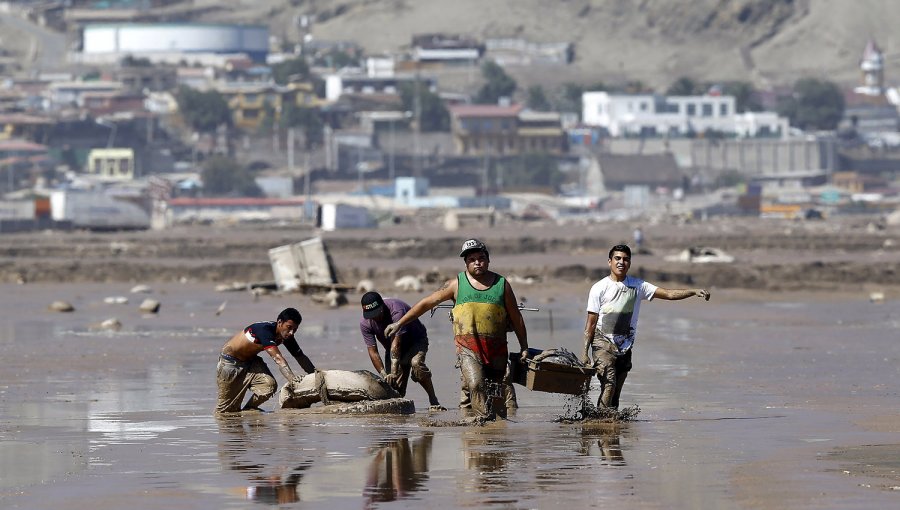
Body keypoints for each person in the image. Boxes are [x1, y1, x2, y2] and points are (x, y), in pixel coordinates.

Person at [386, 238, 528, 421]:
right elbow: (427, 303)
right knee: (476, 384)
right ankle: (482, 429)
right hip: (468, 349)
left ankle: (497, 436)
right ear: (466, 263)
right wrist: (400, 323)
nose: (477, 262)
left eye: (481, 258)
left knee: (496, 393)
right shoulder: (456, 284)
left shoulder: (502, 284)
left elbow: (516, 318)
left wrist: (524, 346)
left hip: (496, 349)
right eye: (472, 259)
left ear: (488, 260)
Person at [582, 244, 710, 410]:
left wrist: (692, 291)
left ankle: (609, 427)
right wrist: (585, 352)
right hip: (602, 343)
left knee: (616, 394)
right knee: (609, 384)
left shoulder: (638, 286)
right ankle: (600, 422)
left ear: (630, 263)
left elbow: (669, 294)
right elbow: (590, 323)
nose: (621, 262)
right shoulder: (599, 288)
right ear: (609, 262)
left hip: (624, 346)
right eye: (617, 258)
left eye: (626, 259)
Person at [215, 307, 317, 413]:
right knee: (225, 410)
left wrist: (316, 375)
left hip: (251, 361)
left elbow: (300, 356)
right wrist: (292, 379)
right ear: (280, 322)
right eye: (289, 327)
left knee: (268, 386)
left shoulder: (286, 336)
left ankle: (249, 409)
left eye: (294, 330)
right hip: (230, 363)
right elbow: (278, 358)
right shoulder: (264, 330)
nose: (291, 333)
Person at [359, 291, 443, 410]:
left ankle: (433, 399)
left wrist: (394, 371)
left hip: (415, 341)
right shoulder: (365, 323)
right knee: (392, 388)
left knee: (416, 365)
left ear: (382, 306)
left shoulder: (396, 310)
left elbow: (396, 342)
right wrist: (384, 374)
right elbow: (373, 351)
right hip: (391, 348)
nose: (375, 318)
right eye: (371, 315)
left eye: (377, 313)